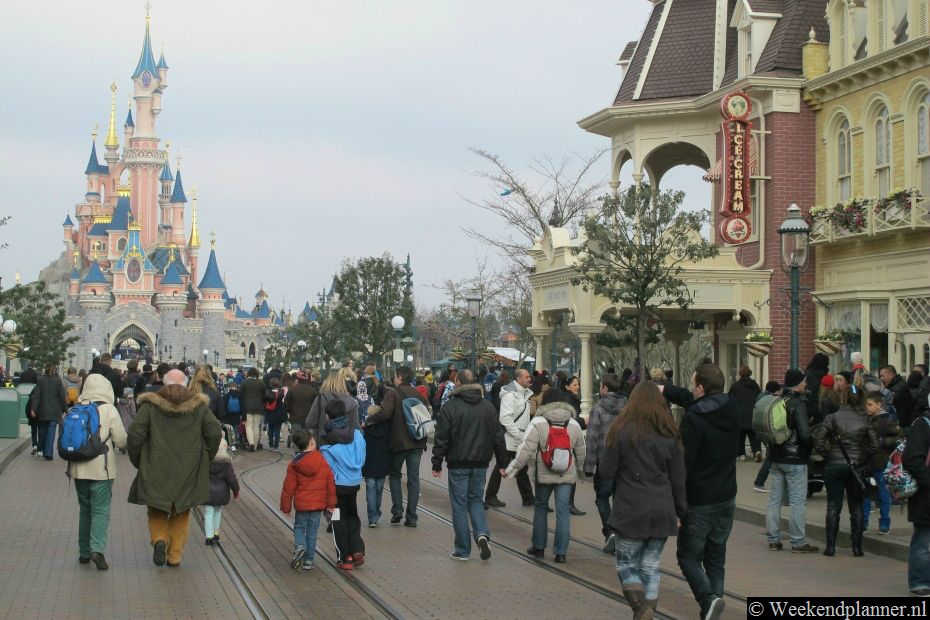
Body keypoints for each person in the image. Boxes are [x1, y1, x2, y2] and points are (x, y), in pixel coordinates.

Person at [599, 381, 687, 619]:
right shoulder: (670, 433)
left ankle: (641, 609)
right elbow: (679, 479)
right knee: (651, 564)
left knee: (626, 563)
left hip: (630, 507)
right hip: (661, 507)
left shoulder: (621, 430)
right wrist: (680, 510)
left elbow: (606, 471)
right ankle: (647, 610)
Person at [664, 363, 739, 620]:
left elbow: (684, 464)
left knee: (688, 556)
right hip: (727, 494)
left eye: (693, 384)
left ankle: (708, 601)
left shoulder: (694, 419)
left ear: (700, 387)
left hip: (700, 498)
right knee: (716, 557)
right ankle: (712, 607)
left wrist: (677, 503)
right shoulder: (733, 408)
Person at [128, 369, 222, 567]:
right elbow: (214, 432)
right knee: (181, 511)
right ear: (186, 384)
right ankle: (175, 556)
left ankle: (160, 539)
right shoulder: (199, 407)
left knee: (156, 507)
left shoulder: (149, 406)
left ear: (164, 383)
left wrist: (139, 460)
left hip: (155, 464)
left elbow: (135, 434)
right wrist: (206, 456)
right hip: (188, 468)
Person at [431, 369, 508, 561]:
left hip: (458, 462)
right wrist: (502, 462)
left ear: (458, 383)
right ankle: (481, 533)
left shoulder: (450, 407)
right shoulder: (488, 407)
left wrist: (437, 462)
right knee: (475, 501)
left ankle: (463, 549)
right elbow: (498, 436)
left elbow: (442, 438)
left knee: (459, 505)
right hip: (481, 462)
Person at [506, 388, 586, 563]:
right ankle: (561, 553)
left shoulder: (538, 422)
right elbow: (581, 450)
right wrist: (581, 469)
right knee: (563, 512)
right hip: (566, 473)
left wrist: (512, 469)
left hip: (544, 472)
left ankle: (539, 547)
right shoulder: (574, 424)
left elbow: (526, 449)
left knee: (541, 508)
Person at [69, 374, 128, 570]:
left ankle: (84, 552)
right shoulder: (109, 409)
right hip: (102, 469)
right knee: (100, 510)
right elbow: (121, 440)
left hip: (78, 468)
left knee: (85, 510)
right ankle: (97, 549)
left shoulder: (76, 407)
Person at [814, 383, 878, 557]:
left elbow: (818, 441)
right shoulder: (865, 419)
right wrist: (862, 458)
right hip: (856, 465)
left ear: (842, 397)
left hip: (834, 464)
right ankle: (857, 547)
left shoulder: (831, 418)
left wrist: (829, 455)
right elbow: (874, 445)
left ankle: (830, 547)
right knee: (856, 506)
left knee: (833, 506)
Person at [363, 366, 427, 526]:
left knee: (395, 475)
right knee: (413, 478)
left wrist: (369, 420)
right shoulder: (419, 394)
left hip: (399, 442)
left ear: (399, 377)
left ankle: (397, 509)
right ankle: (412, 517)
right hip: (417, 441)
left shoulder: (393, 393)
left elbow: (384, 414)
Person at [766, 369, 818, 553]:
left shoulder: (778, 400)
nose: (806, 384)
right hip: (795, 459)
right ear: (797, 383)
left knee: (774, 499)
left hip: (776, 456)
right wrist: (812, 445)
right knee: (797, 501)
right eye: (804, 381)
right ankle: (797, 542)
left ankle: (773, 539)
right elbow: (804, 433)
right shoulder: (800, 403)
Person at [319, 399, 367, 570]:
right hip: (353, 484)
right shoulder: (358, 435)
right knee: (352, 516)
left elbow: (327, 470)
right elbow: (362, 457)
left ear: (328, 416)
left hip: (336, 488)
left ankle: (345, 557)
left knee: (338, 520)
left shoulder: (328, 441)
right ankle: (357, 549)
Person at [280, 429, 337, 572]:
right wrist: (331, 505)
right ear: (312, 443)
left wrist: (286, 507)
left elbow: (288, 487)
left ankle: (300, 545)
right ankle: (308, 561)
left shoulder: (294, 464)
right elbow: (330, 483)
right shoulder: (322, 460)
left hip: (302, 505)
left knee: (299, 527)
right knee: (312, 532)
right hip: (318, 505)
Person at [584, 372, 627, 553]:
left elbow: (592, 438)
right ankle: (618, 533)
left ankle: (610, 532)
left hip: (604, 462)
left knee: (602, 498)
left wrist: (588, 466)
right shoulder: (629, 407)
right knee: (619, 499)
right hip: (625, 462)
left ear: (605, 388)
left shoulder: (598, 408)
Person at [485, 368, 534, 509]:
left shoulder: (524, 394)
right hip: (510, 438)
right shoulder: (510, 395)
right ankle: (491, 496)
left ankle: (528, 498)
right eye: (526, 377)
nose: (529, 379)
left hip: (518, 437)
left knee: (520, 467)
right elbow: (505, 418)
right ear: (519, 379)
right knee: (502, 466)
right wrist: (519, 435)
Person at [862, 391, 902, 535]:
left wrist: (883, 442)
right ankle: (864, 523)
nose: (867, 407)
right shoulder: (865, 419)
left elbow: (900, 437)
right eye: (866, 404)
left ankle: (884, 523)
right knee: (865, 493)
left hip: (880, 462)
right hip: (866, 462)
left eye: (870, 404)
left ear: (879, 405)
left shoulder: (887, 420)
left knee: (883, 493)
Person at [904, 403, 930, 595]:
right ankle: (919, 581)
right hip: (926, 496)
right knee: (923, 539)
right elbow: (913, 458)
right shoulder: (922, 425)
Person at [306, 369, 361, 445]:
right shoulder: (352, 402)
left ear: (327, 383)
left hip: (324, 443)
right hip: (346, 445)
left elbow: (311, 422)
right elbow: (356, 426)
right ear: (344, 384)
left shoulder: (320, 399)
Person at [203, 436, 239, 545]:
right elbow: (231, 478)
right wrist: (236, 490)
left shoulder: (206, 461)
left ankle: (208, 537)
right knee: (217, 512)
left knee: (208, 514)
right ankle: (216, 534)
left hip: (207, 492)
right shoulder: (226, 463)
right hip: (221, 493)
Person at [30, 365, 68, 461]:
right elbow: (62, 397)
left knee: (42, 431)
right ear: (55, 370)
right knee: (51, 432)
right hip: (55, 411)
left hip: (43, 410)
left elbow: (37, 396)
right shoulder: (58, 381)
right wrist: (65, 409)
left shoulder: (40, 380)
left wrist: (33, 409)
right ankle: (48, 453)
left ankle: (41, 449)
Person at [362, 405, 390, 527]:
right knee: (379, 489)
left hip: (369, 463)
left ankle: (372, 517)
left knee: (371, 489)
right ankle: (376, 512)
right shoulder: (388, 428)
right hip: (382, 462)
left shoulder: (365, 429)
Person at [728, 365, 761, 461]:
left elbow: (729, 398)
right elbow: (759, 397)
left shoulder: (735, 386)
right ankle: (757, 452)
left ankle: (741, 454)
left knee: (740, 435)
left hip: (740, 414)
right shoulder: (755, 385)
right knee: (753, 435)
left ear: (740, 374)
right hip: (753, 414)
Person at [285, 371, 318, 446]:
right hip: (308, 417)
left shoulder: (292, 389)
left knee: (296, 436)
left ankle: (297, 452)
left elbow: (286, 403)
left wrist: (289, 411)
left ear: (298, 379)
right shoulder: (313, 390)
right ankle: (306, 451)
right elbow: (316, 404)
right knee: (306, 436)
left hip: (295, 416)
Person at [239, 367, 266, 451]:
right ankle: (255, 445)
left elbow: (241, 395)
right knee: (256, 426)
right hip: (259, 407)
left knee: (248, 426)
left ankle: (251, 443)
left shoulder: (244, 382)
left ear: (248, 374)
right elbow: (264, 396)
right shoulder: (261, 383)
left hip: (247, 408)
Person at [264, 378, 287, 451]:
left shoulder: (268, 392)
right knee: (277, 430)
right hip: (279, 412)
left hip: (270, 412)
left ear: (271, 385)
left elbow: (265, 400)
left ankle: (271, 443)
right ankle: (276, 446)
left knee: (270, 430)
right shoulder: (281, 392)